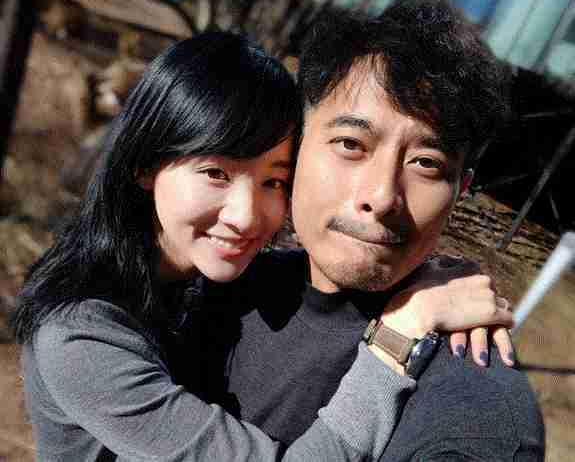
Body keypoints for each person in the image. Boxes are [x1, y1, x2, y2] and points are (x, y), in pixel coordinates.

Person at [10, 30, 513, 461]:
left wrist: (433, 279)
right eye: (215, 173)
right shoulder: (79, 337)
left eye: (273, 181)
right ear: (145, 165)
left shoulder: (191, 279)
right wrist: (397, 337)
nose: (247, 215)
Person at [218, 0, 545, 460]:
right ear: (294, 146)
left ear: (461, 189)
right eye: (351, 144)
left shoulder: (475, 402)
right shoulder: (208, 288)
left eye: (426, 163)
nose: (383, 195)